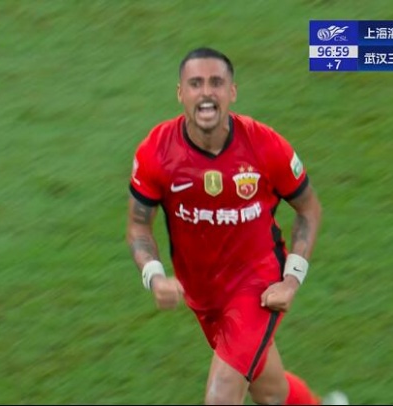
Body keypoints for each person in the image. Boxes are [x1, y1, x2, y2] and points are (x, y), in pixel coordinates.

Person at [125, 47, 348, 405]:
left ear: (232, 92)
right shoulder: (157, 151)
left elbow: (308, 209)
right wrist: (154, 276)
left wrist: (291, 280)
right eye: (195, 84)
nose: (206, 93)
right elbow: (139, 224)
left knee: (222, 394)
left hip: (257, 286)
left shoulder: (265, 145)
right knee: (270, 391)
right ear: (180, 93)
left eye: (216, 83)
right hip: (203, 294)